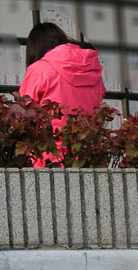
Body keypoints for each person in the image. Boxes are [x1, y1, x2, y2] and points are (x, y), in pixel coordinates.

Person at [18, 22, 105, 165]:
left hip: (50, 159)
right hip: (88, 157)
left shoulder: (39, 69)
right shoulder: (93, 71)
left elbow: (22, 116)